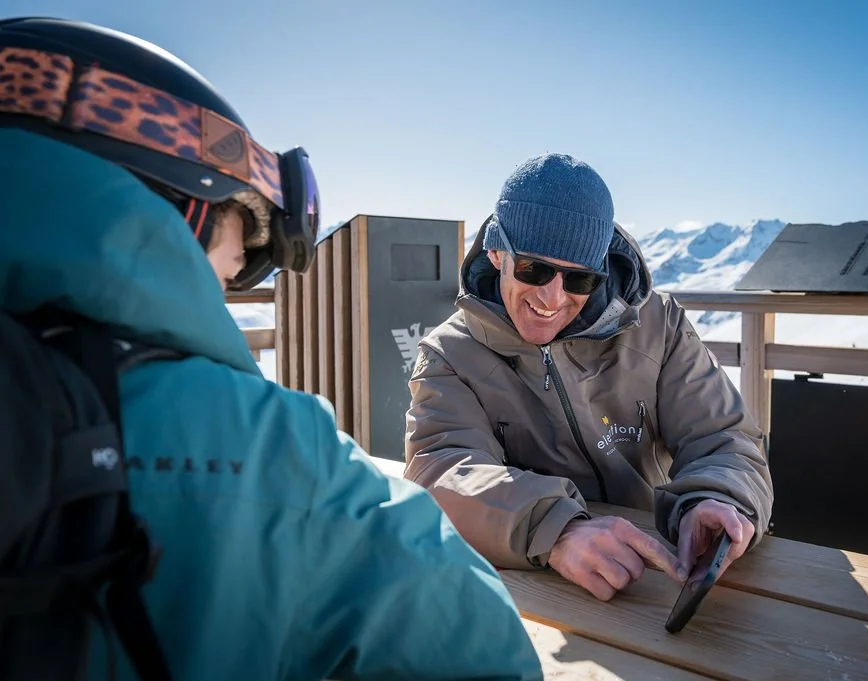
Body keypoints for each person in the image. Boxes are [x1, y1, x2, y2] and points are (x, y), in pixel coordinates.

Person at [0, 17, 541, 681]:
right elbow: (484, 651)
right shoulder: (275, 448)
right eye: (228, 271)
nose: (554, 292)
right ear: (185, 216)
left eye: (579, 278)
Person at [404, 153, 773, 602]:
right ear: (497, 253)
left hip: (655, 569)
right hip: (532, 582)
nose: (552, 297)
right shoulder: (450, 354)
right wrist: (555, 529)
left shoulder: (658, 325)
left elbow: (723, 437)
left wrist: (717, 499)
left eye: (579, 279)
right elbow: (439, 473)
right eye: (533, 269)